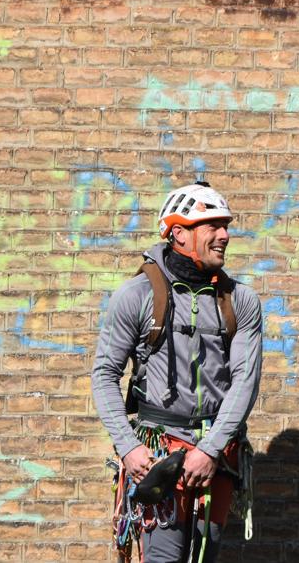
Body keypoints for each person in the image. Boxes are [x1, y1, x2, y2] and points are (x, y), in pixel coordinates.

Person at [93, 181, 263, 563]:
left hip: (217, 456)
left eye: (225, 226)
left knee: (205, 557)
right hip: (158, 455)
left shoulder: (241, 301)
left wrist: (210, 449)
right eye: (213, 226)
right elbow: (104, 374)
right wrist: (129, 447)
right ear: (179, 233)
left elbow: (245, 382)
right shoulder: (136, 296)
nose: (225, 235)